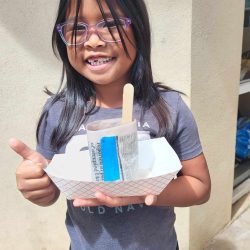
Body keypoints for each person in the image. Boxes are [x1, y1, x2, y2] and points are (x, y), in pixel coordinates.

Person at [9, 0, 211, 249]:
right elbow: (51, 191)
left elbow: (200, 186)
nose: (93, 41)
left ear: (138, 30)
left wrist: (141, 193)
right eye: (77, 28)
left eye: (111, 24)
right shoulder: (58, 112)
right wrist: (38, 187)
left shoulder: (169, 107)